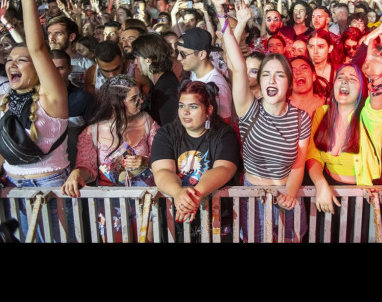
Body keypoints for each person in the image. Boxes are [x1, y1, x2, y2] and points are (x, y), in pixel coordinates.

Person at [213, 0, 311, 243]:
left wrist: (290, 193)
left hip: (288, 195)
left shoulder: (301, 117)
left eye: (279, 75)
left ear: (289, 83)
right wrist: (222, 14)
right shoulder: (248, 109)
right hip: (253, 197)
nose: (272, 79)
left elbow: (299, 164)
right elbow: (236, 63)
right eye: (266, 74)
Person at [0, 0, 73, 242]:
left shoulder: (51, 96)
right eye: (9, 59)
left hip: (49, 186)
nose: (12, 64)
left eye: (21, 60)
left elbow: (37, 48)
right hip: (11, 188)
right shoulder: (5, 96)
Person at [305, 38, 382, 242]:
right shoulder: (322, 113)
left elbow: (378, 105)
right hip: (328, 191)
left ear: (362, 88)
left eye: (352, 79)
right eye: (340, 77)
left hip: (363, 195)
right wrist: (321, 185)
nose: (344, 82)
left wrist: (377, 77)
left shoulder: (368, 115)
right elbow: (313, 156)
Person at [61, 75, 158, 242]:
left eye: (140, 96)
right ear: (115, 103)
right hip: (110, 202)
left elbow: (162, 156)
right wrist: (76, 174)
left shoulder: (147, 121)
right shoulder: (93, 131)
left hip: (144, 197)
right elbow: (87, 166)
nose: (141, 101)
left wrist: (146, 161)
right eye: (134, 99)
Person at [150, 81, 241, 237]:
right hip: (177, 219)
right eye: (181, 106)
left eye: (193, 107)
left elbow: (225, 169)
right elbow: (162, 171)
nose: (185, 112)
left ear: (209, 110)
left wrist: (194, 196)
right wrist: (177, 193)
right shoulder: (166, 134)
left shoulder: (224, 134)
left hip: (217, 220)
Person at [176, 27, 234, 125]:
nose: (178, 58)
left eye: (183, 54)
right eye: (177, 52)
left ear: (202, 54)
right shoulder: (194, 73)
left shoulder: (217, 86)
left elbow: (224, 124)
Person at [50, 49, 94, 170]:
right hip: (44, 168)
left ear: (70, 69)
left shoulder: (83, 98)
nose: (55, 73)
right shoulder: (34, 98)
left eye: (60, 68)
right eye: (51, 68)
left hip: (74, 165)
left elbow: (93, 135)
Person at [131, 33, 180, 126]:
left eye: (137, 58)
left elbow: (169, 128)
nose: (135, 62)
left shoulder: (166, 92)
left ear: (148, 60)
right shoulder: (159, 83)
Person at [46, 15, 95, 88]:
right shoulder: (43, 62)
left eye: (58, 34)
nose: (52, 38)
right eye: (49, 33)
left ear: (71, 37)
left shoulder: (87, 65)